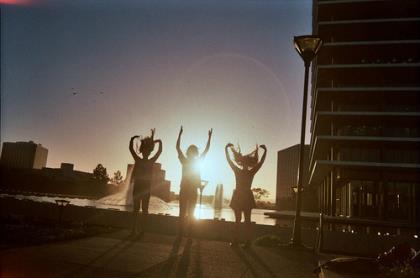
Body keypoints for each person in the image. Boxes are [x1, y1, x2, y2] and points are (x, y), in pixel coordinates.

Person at [225, 143, 267, 247]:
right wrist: (265, 152)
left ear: (242, 162)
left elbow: (229, 161)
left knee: (239, 220)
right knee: (245, 221)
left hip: (239, 196)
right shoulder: (250, 172)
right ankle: (245, 242)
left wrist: (226, 149)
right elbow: (261, 162)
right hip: (245, 196)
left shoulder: (238, 171)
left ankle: (237, 241)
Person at [176, 126, 212, 236]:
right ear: (190, 152)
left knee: (189, 212)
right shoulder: (185, 161)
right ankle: (183, 232)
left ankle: (188, 232)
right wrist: (180, 135)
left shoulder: (192, 161)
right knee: (183, 212)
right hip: (186, 189)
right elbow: (177, 147)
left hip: (190, 190)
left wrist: (209, 138)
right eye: (191, 151)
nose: (192, 153)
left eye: (193, 151)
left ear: (194, 153)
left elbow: (206, 150)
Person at [129, 129, 162, 237]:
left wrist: (159, 142)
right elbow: (131, 149)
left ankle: (142, 229)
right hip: (139, 186)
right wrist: (132, 139)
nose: (146, 153)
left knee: (145, 210)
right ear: (142, 151)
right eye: (145, 151)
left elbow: (159, 151)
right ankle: (134, 229)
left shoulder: (151, 161)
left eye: (148, 151)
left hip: (145, 187)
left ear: (149, 152)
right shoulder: (138, 160)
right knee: (136, 209)